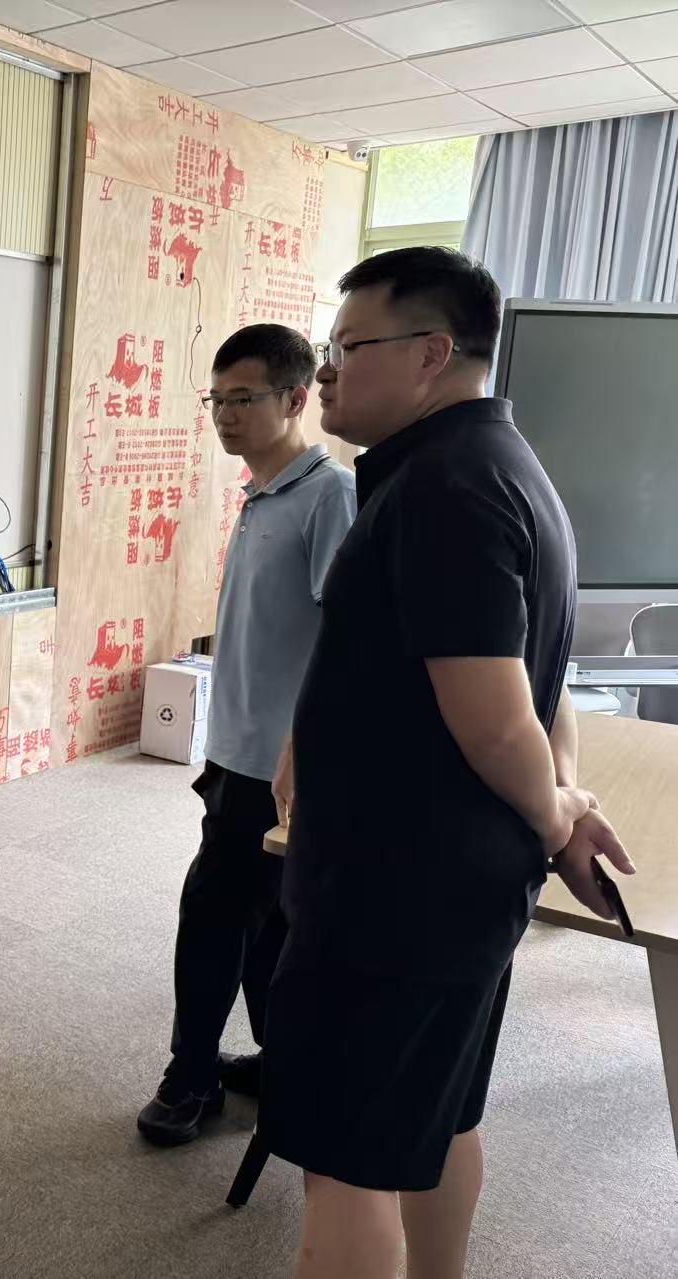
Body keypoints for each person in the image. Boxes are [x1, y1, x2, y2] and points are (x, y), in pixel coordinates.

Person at [260, 246, 634, 1279]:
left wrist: (556, 811)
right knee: (435, 1121)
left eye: (346, 348)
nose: (324, 372)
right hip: (451, 889)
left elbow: (496, 721)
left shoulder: (442, 488)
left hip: (394, 894)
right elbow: (540, 682)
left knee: (345, 1167)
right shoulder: (503, 463)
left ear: (430, 353)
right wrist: (560, 801)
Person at [136, 324, 355, 1147]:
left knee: (213, 918)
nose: (225, 415)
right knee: (265, 925)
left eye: (244, 398)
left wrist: (304, 747)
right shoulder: (264, 492)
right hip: (236, 753)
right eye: (216, 399)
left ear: (296, 399)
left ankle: (191, 1080)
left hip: (278, 768)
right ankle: (283, 1064)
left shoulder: (329, 498)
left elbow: (349, 638)